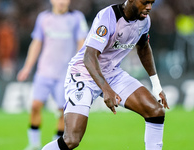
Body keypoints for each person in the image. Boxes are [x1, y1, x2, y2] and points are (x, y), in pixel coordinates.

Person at [42, 0, 169, 150]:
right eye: (145, 2)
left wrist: (156, 85)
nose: (149, 7)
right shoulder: (108, 16)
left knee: (155, 111)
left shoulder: (144, 21)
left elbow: (144, 48)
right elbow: (89, 57)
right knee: (72, 140)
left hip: (112, 74)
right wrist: (106, 89)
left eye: (152, 3)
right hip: (84, 73)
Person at [17, 0, 88, 149]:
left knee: (63, 111)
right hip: (44, 71)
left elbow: (81, 43)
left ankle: (55, 144)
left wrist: (79, 68)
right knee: (35, 106)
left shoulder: (77, 18)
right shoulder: (43, 18)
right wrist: (27, 68)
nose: (61, 2)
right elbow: (36, 43)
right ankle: (34, 144)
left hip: (65, 74)